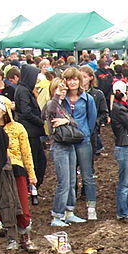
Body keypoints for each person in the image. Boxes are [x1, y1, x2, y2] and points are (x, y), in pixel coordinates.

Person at [0, 96, 38, 252]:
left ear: (4, 111)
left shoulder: (17, 128)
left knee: (21, 204)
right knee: (4, 204)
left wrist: (31, 174)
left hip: (16, 169)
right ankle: (11, 238)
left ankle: (25, 237)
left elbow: (26, 152)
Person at [43, 71, 95, 226]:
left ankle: (69, 211)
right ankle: (57, 215)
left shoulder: (79, 101)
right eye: (61, 88)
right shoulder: (55, 104)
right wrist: (57, 96)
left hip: (72, 142)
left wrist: (66, 121)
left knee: (72, 179)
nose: (64, 91)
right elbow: (47, 113)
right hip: (60, 144)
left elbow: (76, 122)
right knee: (64, 182)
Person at [109, 80, 128, 221]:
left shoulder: (119, 108)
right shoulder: (120, 109)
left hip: (125, 145)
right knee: (125, 182)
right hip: (125, 146)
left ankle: (127, 210)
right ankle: (123, 212)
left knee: (127, 181)